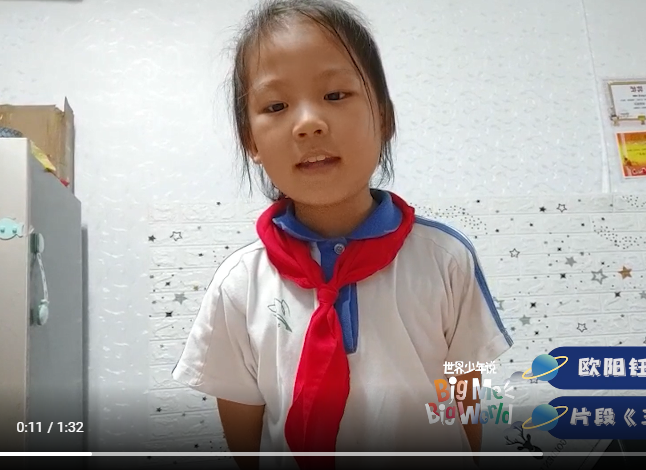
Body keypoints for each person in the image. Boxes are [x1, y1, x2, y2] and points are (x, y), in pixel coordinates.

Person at [172, 1, 513, 469]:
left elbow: (465, 391)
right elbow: (242, 422)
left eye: (335, 95)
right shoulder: (239, 284)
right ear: (251, 141)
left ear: (384, 118)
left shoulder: (444, 258)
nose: (308, 122)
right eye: (276, 106)